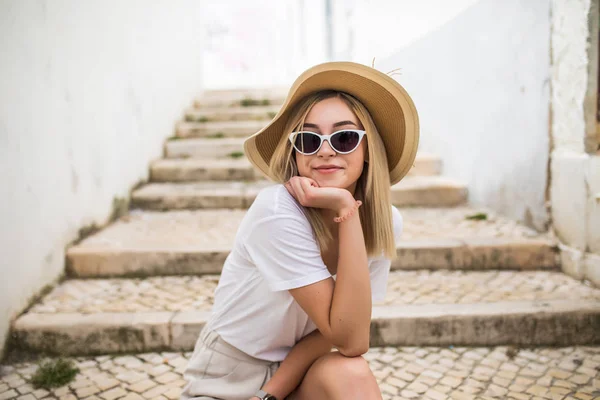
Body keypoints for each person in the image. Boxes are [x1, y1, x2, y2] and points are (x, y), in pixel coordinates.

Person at [180, 61, 419, 400]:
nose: (325, 150)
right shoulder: (276, 212)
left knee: (351, 373)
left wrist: (346, 212)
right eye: (308, 139)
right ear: (295, 152)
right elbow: (345, 337)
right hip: (228, 375)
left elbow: (346, 338)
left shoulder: (384, 221)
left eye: (345, 137)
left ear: (369, 150)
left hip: (299, 372)